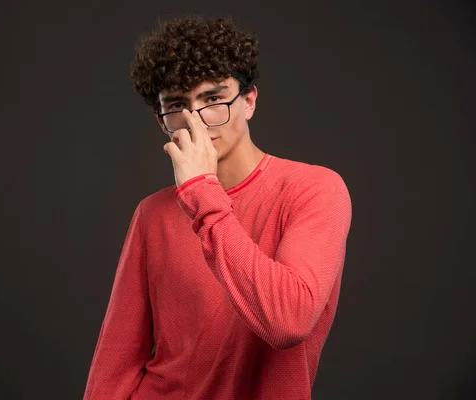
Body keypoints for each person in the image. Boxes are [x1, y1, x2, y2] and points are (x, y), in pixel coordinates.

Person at [84, 16, 352, 400]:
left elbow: (288, 321)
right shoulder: (151, 214)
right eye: (177, 105)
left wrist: (202, 193)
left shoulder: (314, 189)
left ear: (248, 101)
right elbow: (115, 362)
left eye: (213, 99)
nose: (196, 120)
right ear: (163, 122)